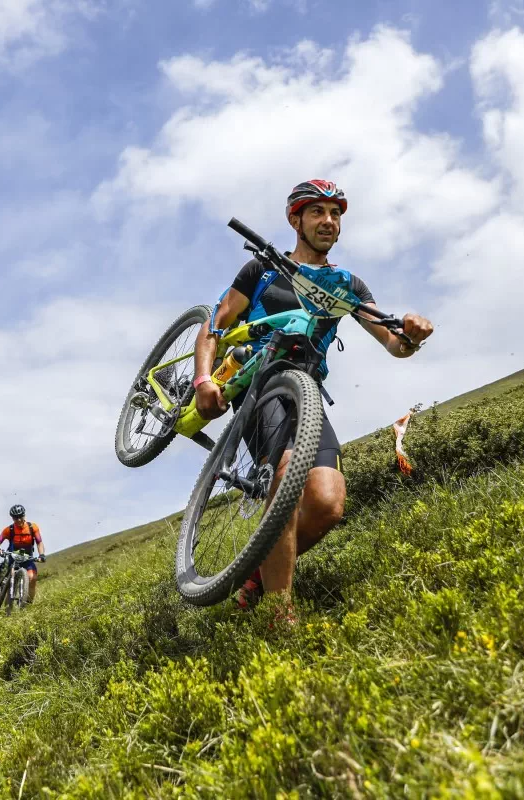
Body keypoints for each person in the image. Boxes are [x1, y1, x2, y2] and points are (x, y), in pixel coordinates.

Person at [193, 179, 434, 619]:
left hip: (305, 391)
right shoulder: (263, 271)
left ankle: (256, 575)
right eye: (317, 212)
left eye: (335, 214)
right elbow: (214, 325)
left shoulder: (347, 285)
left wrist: (412, 336)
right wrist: (203, 380)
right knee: (285, 473)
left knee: (327, 504)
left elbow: (392, 343)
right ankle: (278, 614)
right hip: (258, 383)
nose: (328, 221)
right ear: (295, 219)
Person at [0, 504, 47, 604]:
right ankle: (7, 601)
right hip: (13, 558)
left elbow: (39, 542)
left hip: (27, 558)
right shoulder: (9, 530)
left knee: (33, 578)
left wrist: (41, 555)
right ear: (12, 518)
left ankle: (27, 603)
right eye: (16, 518)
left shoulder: (32, 527)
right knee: (12, 576)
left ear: (24, 515)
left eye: (21, 516)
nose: (19, 520)